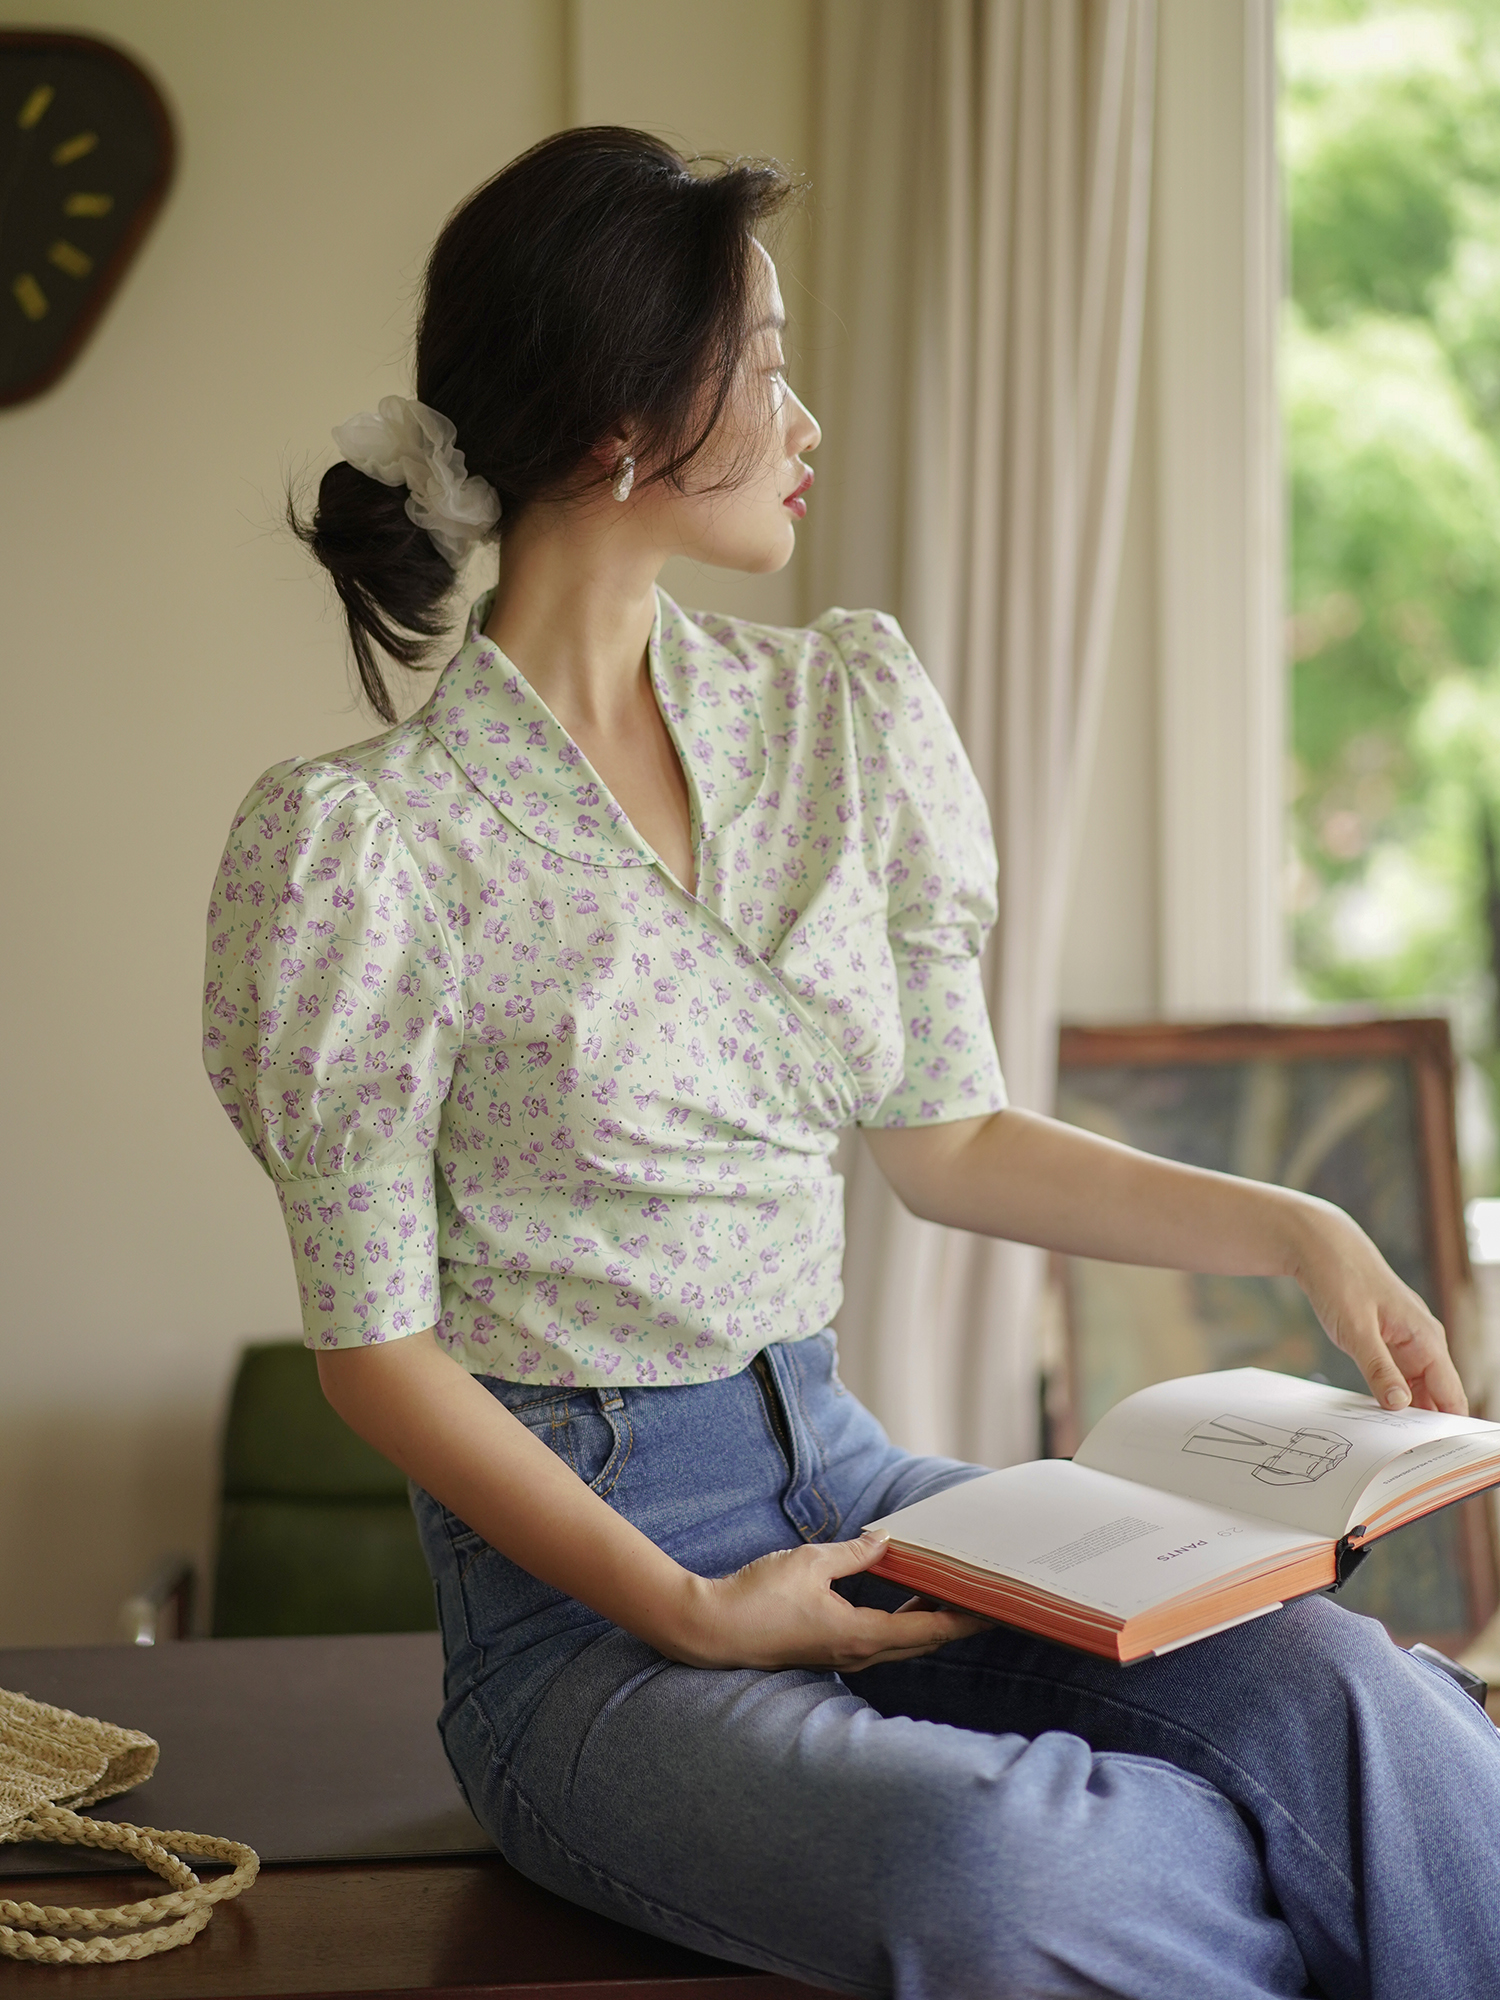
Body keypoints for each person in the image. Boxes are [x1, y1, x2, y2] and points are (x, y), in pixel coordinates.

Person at [203, 127, 1500, 2000]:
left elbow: (950, 1140)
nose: (808, 418)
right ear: (626, 426)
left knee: (1337, 1688)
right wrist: (690, 1608)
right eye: (772, 363)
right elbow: (375, 1355)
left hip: (860, 1483)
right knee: (1001, 1866)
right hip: (582, 1630)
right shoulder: (364, 850)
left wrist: (1299, 1228)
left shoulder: (835, 715)